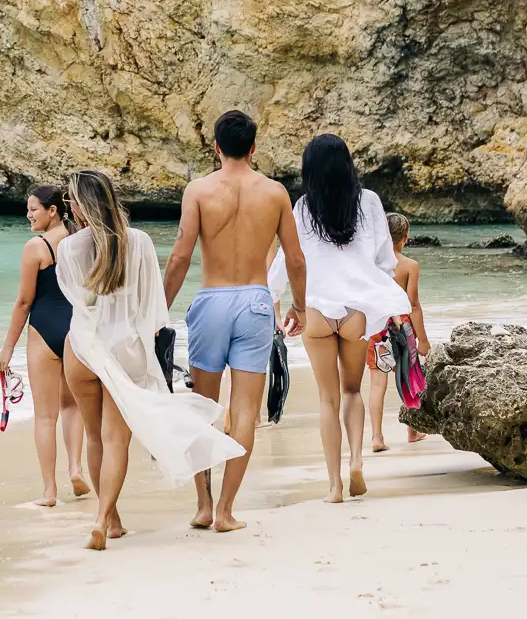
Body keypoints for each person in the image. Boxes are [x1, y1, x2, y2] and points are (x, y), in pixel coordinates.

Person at [58, 169, 244, 552]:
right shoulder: (139, 242)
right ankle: (101, 520)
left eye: (70, 201)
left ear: (79, 207)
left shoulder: (68, 248)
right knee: (115, 441)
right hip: (124, 352)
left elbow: (77, 303)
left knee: (93, 437)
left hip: (81, 349)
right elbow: (154, 312)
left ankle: (111, 521)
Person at [162, 109, 307, 533]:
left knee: (201, 409)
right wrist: (299, 304)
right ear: (255, 147)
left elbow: (180, 257)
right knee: (245, 410)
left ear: (216, 147)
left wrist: (157, 308)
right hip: (257, 303)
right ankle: (226, 510)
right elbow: (295, 257)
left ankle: (203, 505)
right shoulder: (276, 192)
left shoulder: (199, 190)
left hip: (212, 300)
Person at [267, 134, 409, 501]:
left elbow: (289, 260)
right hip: (357, 311)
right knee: (351, 391)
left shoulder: (302, 207)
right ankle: (357, 462)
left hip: (316, 308)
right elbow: (384, 259)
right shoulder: (370, 202)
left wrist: (279, 300)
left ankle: (333, 486)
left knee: (326, 399)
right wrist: (383, 300)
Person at [0, 183, 88, 506]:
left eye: (33, 209)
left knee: (45, 416)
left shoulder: (37, 247)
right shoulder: (81, 239)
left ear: (52, 211)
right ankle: (76, 468)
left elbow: (24, 302)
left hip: (44, 330)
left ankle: (49, 491)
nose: (28, 215)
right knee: (73, 405)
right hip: (77, 330)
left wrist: (7, 349)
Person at [368, 211, 432, 450]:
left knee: (377, 384)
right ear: (406, 237)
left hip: (376, 328)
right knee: (408, 376)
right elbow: (413, 304)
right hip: (402, 328)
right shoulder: (409, 266)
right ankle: (412, 430)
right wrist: (422, 339)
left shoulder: (371, 266)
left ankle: (377, 437)